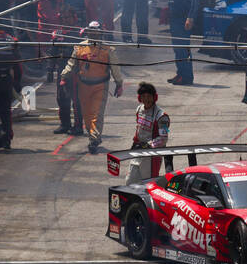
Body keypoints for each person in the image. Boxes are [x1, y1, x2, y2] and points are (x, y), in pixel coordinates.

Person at [60, 22, 123, 153]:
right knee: (87, 115)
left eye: (96, 32)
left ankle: (94, 139)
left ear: (101, 33)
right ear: (88, 32)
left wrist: (119, 83)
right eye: (91, 31)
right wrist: (63, 77)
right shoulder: (79, 47)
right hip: (83, 86)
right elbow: (71, 64)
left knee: (96, 114)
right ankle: (92, 135)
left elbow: (115, 68)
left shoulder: (108, 49)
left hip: (100, 87)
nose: (94, 34)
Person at [131, 82, 172, 180]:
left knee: (148, 184)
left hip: (152, 156)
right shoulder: (139, 109)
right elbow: (138, 129)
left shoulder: (162, 116)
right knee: (130, 181)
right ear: (139, 98)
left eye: (149, 96)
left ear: (155, 97)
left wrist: (147, 145)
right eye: (143, 96)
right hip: (138, 152)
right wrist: (135, 142)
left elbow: (163, 139)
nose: (146, 99)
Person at [50, 27, 84, 135]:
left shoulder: (79, 33)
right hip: (61, 71)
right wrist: (49, 70)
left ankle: (78, 126)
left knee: (76, 100)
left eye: (68, 17)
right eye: (63, 17)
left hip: (75, 72)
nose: (65, 20)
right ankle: (65, 124)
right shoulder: (57, 33)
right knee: (61, 99)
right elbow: (53, 53)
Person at [166, 0, 198, 85]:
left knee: (184, 48)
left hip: (184, 19)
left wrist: (191, 17)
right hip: (174, 18)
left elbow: (195, 1)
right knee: (177, 49)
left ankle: (187, 76)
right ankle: (180, 73)